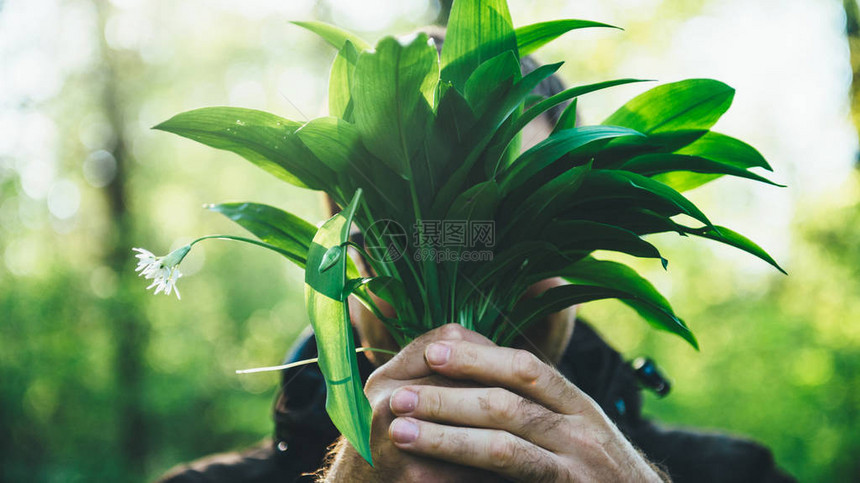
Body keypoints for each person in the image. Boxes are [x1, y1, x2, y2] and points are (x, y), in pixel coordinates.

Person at [158, 33, 796, 483]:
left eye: (520, 229)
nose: (464, 279)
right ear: (341, 245)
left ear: (585, 231)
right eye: (408, 233)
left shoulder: (740, 474)